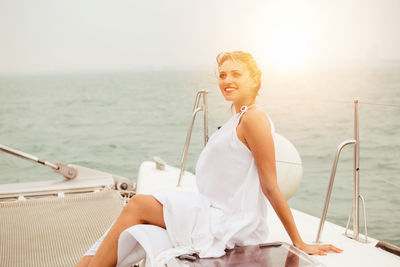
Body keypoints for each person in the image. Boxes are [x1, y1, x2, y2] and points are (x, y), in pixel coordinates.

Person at [76, 51, 342, 267]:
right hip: (212, 209)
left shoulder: (254, 119)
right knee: (135, 209)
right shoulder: (237, 119)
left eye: (236, 74)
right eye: (223, 75)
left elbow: (270, 185)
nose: (227, 80)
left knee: (138, 205)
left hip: (231, 222)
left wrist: (298, 240)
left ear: (255, 78)